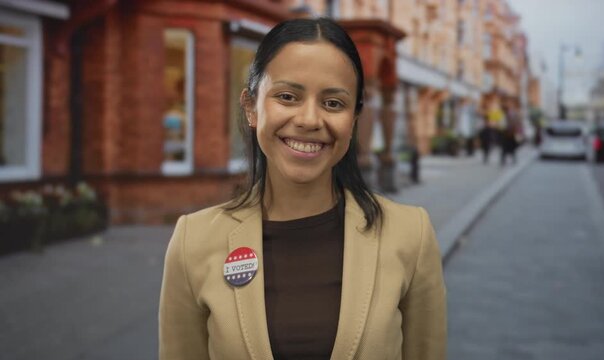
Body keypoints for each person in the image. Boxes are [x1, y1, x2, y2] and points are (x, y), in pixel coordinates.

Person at [159, 18, 446, 360]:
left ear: (353, 120)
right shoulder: (193, 242)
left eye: (333, 103)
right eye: (287, 96)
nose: (310, 119)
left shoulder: (410, 236)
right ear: (251, 107)